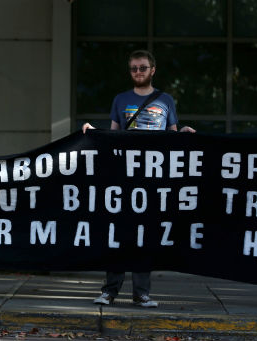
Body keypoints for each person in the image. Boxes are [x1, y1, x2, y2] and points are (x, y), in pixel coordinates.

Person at [83, 50, 195, 308]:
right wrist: (92, 133)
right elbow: (111, 138)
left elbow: (172, 137)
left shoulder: (166, 100)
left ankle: (141, 293)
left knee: (145, 235)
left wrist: (186, 134)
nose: (138, 72)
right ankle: (110, 291)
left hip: (152, 178)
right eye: (133, 68)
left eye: (143, 68)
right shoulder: (120, 100)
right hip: (124, 177)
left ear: (153, 69)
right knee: (118, 234)